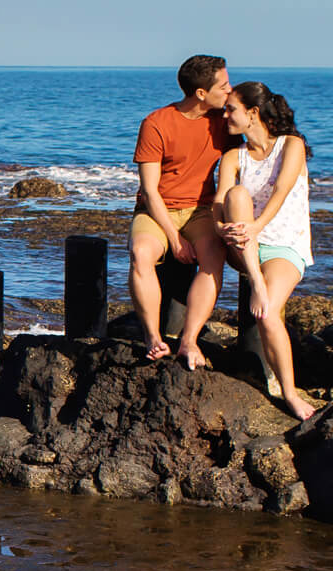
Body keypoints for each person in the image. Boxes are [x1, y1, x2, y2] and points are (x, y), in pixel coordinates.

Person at [213, 81, 316, 421]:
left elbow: (282, 190)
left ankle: (289, 393)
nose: (225, 115)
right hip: (243, 247)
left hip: (283, 245)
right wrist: (220, 228)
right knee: (238, 196)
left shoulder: (292, 145)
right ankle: (256, 280)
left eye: (231, 110)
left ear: (253, 113)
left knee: (268, 313)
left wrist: (258, 227)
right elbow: (220, 201)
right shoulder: (233, 156)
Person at [130, 54, 232, 367]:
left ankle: (188, 340)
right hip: (157, 209)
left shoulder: (224, 122)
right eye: (224, 86)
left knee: (214, 256)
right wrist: (174, 239)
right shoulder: (157, 123)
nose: (230, 91)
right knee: (141, 254)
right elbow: (149, 190)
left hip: (201, 210)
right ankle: (153, 338)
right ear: (201, 93)